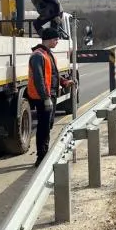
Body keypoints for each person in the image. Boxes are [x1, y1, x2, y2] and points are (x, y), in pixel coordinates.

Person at [26, 27, 75, 166]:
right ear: (48, 39)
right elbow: (39, 79)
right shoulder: (38, 56)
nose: (57, 42)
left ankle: (43, 154)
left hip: (50, 95)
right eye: (55, 39)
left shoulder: (48, 54)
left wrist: (64, 82)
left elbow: (52, 74)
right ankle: (41, 157)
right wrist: (45, 98)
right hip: (43, 97)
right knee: (44, 127)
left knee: (48, 125)